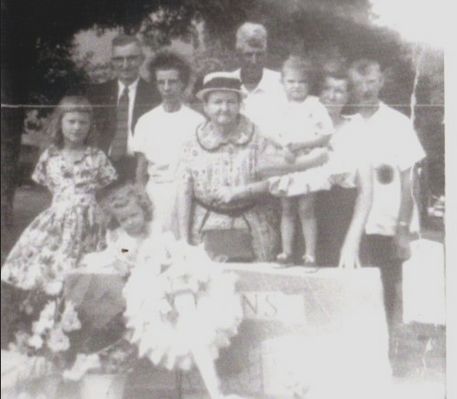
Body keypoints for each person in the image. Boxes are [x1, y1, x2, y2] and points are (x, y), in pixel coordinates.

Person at [1, 96, 117, 292]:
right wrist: (63, 208)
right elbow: (49, 188)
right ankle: (49, 301)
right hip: (58, 217)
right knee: (51, 261)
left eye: (83, 122)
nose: (77, 127)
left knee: (89, 263)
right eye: (71, 121)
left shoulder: (97, 156)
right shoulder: (50, 156)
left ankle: (79, 302)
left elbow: (104, 190)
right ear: (60, 122)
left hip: (90, 220)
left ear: (90, 126)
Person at [348, 59, 426, 341]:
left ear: (381, 82)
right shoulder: (347, 123)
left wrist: (403, 228)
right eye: (359, 83)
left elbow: (409, 180)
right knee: (353, 290)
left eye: (371, 82)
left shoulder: (397, 123)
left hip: (386, 222)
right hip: (351, 225)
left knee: (386, 289)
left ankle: (385, 352)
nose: (365, 89)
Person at [176, 73, 280, 262]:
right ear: (206, 107)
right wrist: (184, 240)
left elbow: (276, 182)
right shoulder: (191, 142)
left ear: (240, 105)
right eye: (217, 102)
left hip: (254, 227)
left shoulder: (260, 138)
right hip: (204, 228)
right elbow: (184, 191)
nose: (224, 108)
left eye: (231, 102)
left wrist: (239, 192)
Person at [133, 51, 205, 236]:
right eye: (161, 82)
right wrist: (142, 196)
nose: (166, 87)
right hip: (155, 196)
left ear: (183, 83)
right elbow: (140, 172)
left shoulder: (197, 122)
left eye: (172, 81)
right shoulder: (146, 121)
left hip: (188, 196)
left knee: (184, 248)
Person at [272, 56, 334, 265]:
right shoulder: (279, 107)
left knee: (306, 209)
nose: (296, 86)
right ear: (282, 83)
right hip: (287, 164)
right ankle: (286, 252)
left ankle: (310, 254)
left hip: (308, 162)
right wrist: (283, 148)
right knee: (287, 209)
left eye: (301, 82)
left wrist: (300, 145)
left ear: (309, 84)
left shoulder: (315, 105)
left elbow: (326, 135)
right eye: (291, 81)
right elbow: (272, 135)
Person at [87, 34, 160, 182]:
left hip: (141, 169)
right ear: (112, 61)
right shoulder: (96, 94)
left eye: (132, 58)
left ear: (141, 59)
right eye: (119, 59)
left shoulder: (156, 95)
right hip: (101, 167)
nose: (125, 65)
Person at [79, 183, 157, 276]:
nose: (130, 222)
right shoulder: (119, 236)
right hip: (127, 268)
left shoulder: (153, 229)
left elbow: (158, 248)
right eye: (123, 219)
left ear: (144, 210)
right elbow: (118, 251)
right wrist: (127, 253)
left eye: (134, 215)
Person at [228, 22, 285, 135]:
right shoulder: (227, 83)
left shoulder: (281, 83)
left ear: (266, 55)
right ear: (238, 56)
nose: (254, 61)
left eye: (259, 55)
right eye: (248, 55)